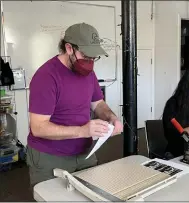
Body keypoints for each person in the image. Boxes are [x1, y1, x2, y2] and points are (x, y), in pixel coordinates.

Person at [26, 23, 123, 186]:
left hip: (85, 152)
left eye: (93, 58)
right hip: (50, 158)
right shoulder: (46, 77)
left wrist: (112, 118)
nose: (90, 62)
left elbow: (98, 103)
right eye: (86, 56)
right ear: (69, 48)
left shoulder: (88, 73)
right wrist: (83, 131)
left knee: (91, 195)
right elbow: (38, 128)